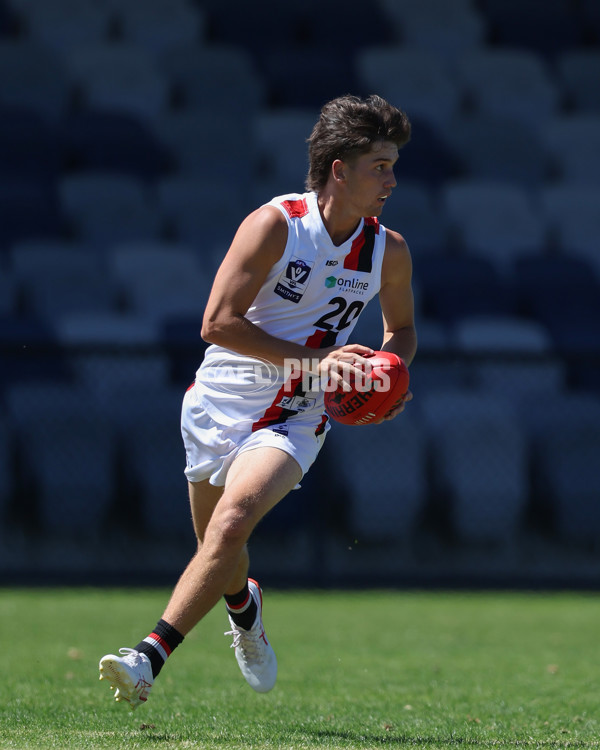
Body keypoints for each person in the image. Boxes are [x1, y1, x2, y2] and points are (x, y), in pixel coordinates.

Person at [98, 94, 417, 710]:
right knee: (219, 554)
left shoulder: (389, 251)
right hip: (221, 398)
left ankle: (147, 658)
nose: (392, 180)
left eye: (394, 164)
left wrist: (389, 378)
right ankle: (245, 609)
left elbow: (399, 333)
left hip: (299, 411)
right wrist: (317, 360)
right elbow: (217, 323)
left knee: (234, 519)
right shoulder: (276, 225)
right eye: (380, 165)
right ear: (339, 170)